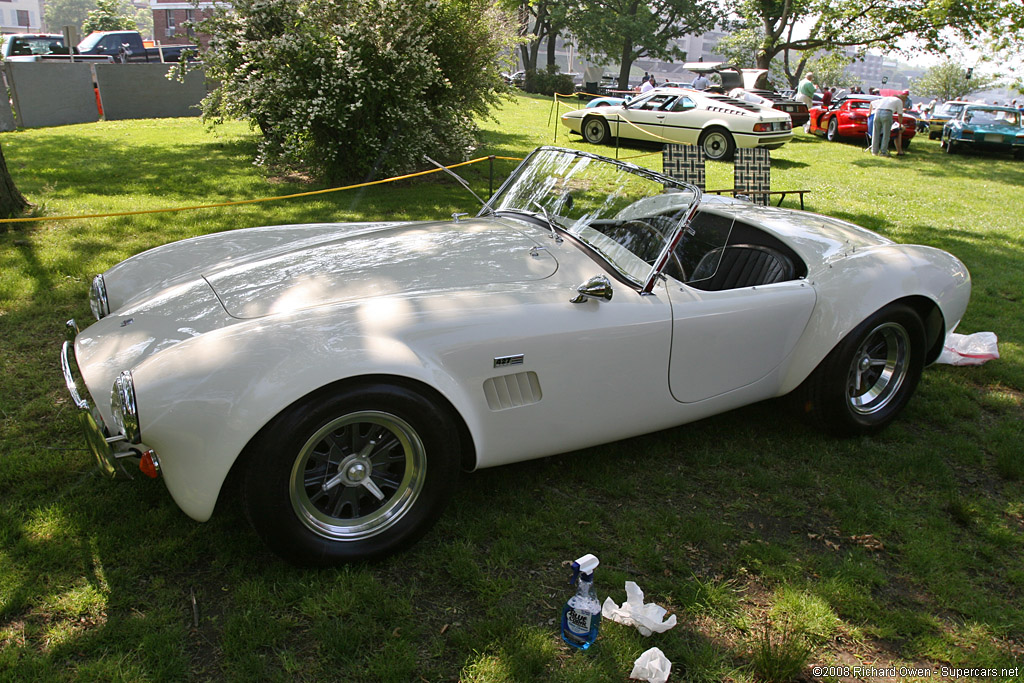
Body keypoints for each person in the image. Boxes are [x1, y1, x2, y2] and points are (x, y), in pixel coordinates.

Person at [870, 91, 907, 156]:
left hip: (877, 112)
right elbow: (900, 115)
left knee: (875, 133)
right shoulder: (899, 101)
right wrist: (900, 125)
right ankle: (883, 152)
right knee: (886, 134)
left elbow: (872, 103)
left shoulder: (886, 98)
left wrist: (869, 113)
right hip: (887, 113)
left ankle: (874, 151)